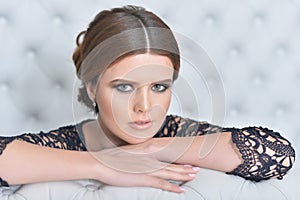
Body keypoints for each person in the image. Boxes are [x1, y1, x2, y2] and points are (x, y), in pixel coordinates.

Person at [0, 5, 296, 194]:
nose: (145, 107)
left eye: (158, 87)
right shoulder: (67, 143)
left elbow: (277, 155)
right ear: (92, 88)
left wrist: (154, 147)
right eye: (124, 87)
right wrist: (100, 164)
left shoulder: (175, 133)